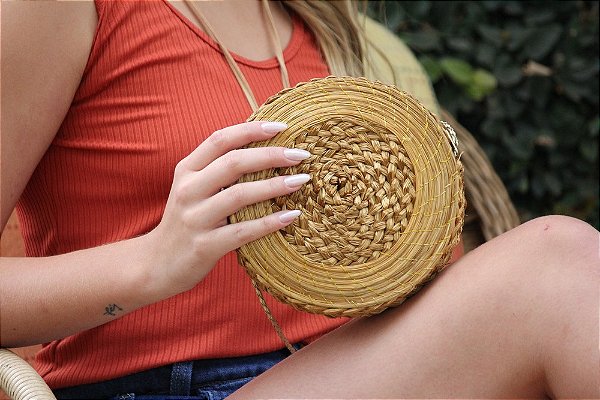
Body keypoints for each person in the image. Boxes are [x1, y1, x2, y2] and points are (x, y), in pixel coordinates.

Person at [1, 0, 597, 398]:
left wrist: (410, 241)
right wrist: (149, 263)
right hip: (164, 387)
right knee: (556, 264)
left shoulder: (312, 18)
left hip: (336, 364)